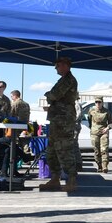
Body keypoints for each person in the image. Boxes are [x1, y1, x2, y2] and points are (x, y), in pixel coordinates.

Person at [39, 57, 78, 192]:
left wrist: (49, 95)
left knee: (64, 150)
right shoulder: (63, 80)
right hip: (57, 120)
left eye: (58, 65)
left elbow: (54, 95)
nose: (56, 68)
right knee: (52, 151)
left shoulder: (68, 80)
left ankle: (71, 180)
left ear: (67, 65)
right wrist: (50, 95)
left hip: (64, 121)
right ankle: (55, 179)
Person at [0, 90, 30, 177]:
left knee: (11, 148)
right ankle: (15, 169)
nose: (11, 98)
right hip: (23, 128)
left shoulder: (15, 104)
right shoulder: (26, 104)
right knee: (14, 149)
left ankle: (11, 170)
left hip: (14, 128)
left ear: (14, 96)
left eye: (11, 96)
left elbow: (10, 115)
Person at [88, 96, 112, 173]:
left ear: (102, 103)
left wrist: (107, 128)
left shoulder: (106, 111)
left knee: (104, 149)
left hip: (103, 133)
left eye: (99, 102)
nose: (98, 104)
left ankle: (105, 166)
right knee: (96, 150)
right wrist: (92, 128)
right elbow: (89, 120)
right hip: (94, 133)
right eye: (96, 102)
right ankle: (99, 165)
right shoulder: (91, 111)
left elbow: (111, 122)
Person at [73, 98, 83, 171]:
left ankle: (78, 163)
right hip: (73, 125)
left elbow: (78, 115)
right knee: (74, 145)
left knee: (74, 144)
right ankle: (77, 163)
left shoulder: (76, 104)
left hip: (75, 126)